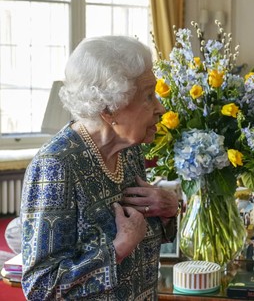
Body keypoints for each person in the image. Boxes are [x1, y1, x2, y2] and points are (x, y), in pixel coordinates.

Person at [20, 36, 181, 300]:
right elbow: (41, 287)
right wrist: (118, 248)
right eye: (149, 96)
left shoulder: (129, 150)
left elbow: (144, 236)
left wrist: (167, 211)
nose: (160, 108)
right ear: (110, 110)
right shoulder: (56, 166)